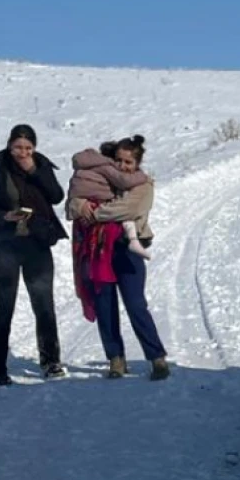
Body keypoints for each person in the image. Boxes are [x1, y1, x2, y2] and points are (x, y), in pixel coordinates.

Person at [69, 136, 169, 380]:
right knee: (105, 305)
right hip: (100, 249)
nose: (123, 166)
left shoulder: (142, 186)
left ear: (137, 163)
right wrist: (78, 204)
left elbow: (128, 209)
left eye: (128, 162)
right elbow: (74, 203)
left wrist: (95, 213)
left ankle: (156, 357)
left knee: (135, 304)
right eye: (118, 161)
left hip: (127, 250)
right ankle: (116, 359)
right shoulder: (104, 181)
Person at [0, 124, 68, 385]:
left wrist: (35, 172)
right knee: (3, 307)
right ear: (9, 145)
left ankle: (51, 361)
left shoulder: (40, 165)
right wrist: (4, 216)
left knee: (44, 305)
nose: (23, 153)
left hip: (36, 243)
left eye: (28, 148)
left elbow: (57, 196)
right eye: (18, 147)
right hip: (4, 245)